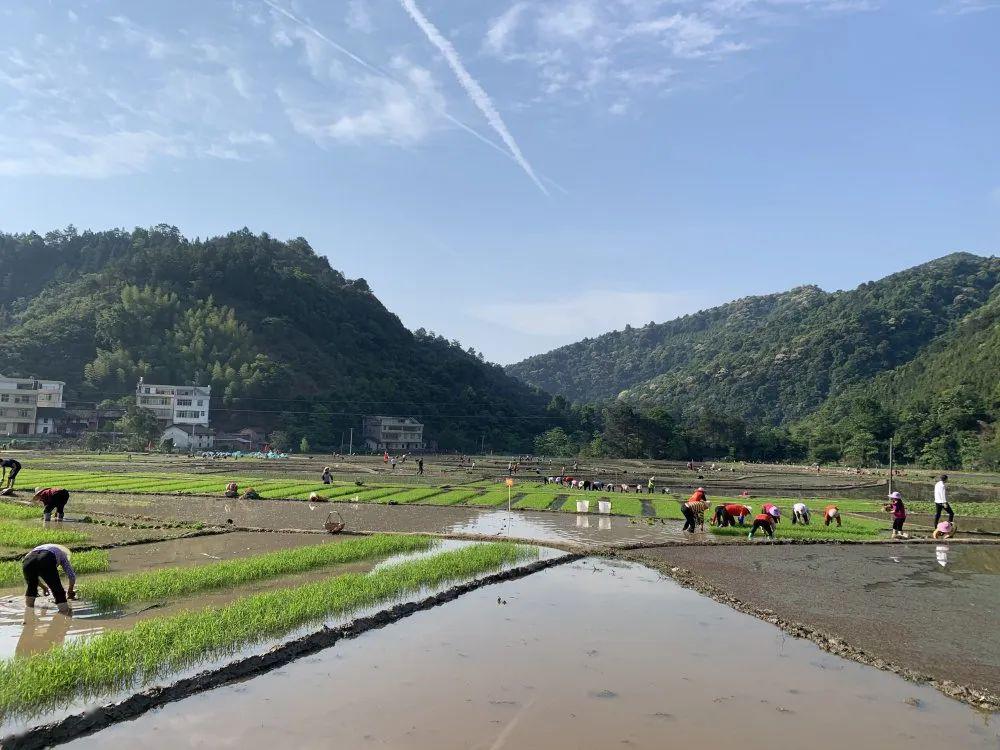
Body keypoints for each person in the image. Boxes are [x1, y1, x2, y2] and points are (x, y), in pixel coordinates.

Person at [22, 543, 76, 616]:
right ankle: (64, 614)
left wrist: (44, 587)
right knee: (58, 591)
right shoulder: (62, 554)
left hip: (27, 561)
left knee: (31, 587)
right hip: (46, 559)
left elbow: (33, 578)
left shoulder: (36, 550)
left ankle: (28, 615)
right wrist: (70, 591)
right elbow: (71, 575)